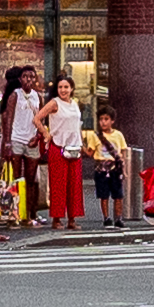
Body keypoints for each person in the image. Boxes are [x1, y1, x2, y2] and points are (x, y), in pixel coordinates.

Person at [45, 73, 88, 227]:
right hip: (58, 146)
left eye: (66, 87)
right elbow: (37, 118)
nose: (63, 90)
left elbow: (78, 125)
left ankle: (72, 219)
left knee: (74, 185)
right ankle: (56, 219)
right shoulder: (54, 103)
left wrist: (82, 143)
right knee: (58, 184)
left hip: (74, 147)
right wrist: (46, 134)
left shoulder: (75, 104)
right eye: (60, 87)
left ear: (71, 89)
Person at [89, 104, 132, 224]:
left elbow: (123, 149)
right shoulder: (95, 136)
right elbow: (91, 152)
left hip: (115, 169)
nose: (103, 122)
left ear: (112, 121)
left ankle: (118, 217)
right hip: (101, 169)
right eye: (101, 119)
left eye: (106, 119)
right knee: (104, 195)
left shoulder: (118, 135)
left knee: (118, 195)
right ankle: (106, 217)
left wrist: (122, 164)